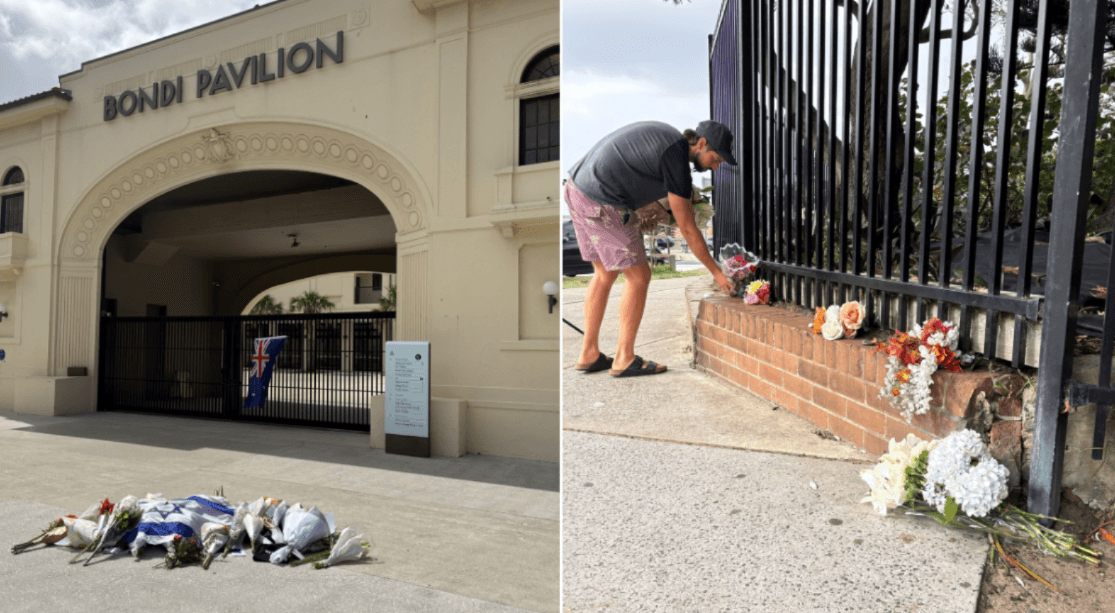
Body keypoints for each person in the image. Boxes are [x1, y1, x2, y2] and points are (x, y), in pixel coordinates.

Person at [565, 120, 736, 377]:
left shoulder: (665, 140)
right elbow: (687, 227)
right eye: (716, 158)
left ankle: (589, 353)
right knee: (639, 276)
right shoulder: (676, 157)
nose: (716, 165)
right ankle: (624, 358)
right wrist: (717, 272)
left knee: (604, 274)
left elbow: (629, 172)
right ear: (701, 144)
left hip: (576, 189)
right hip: (601, 197)